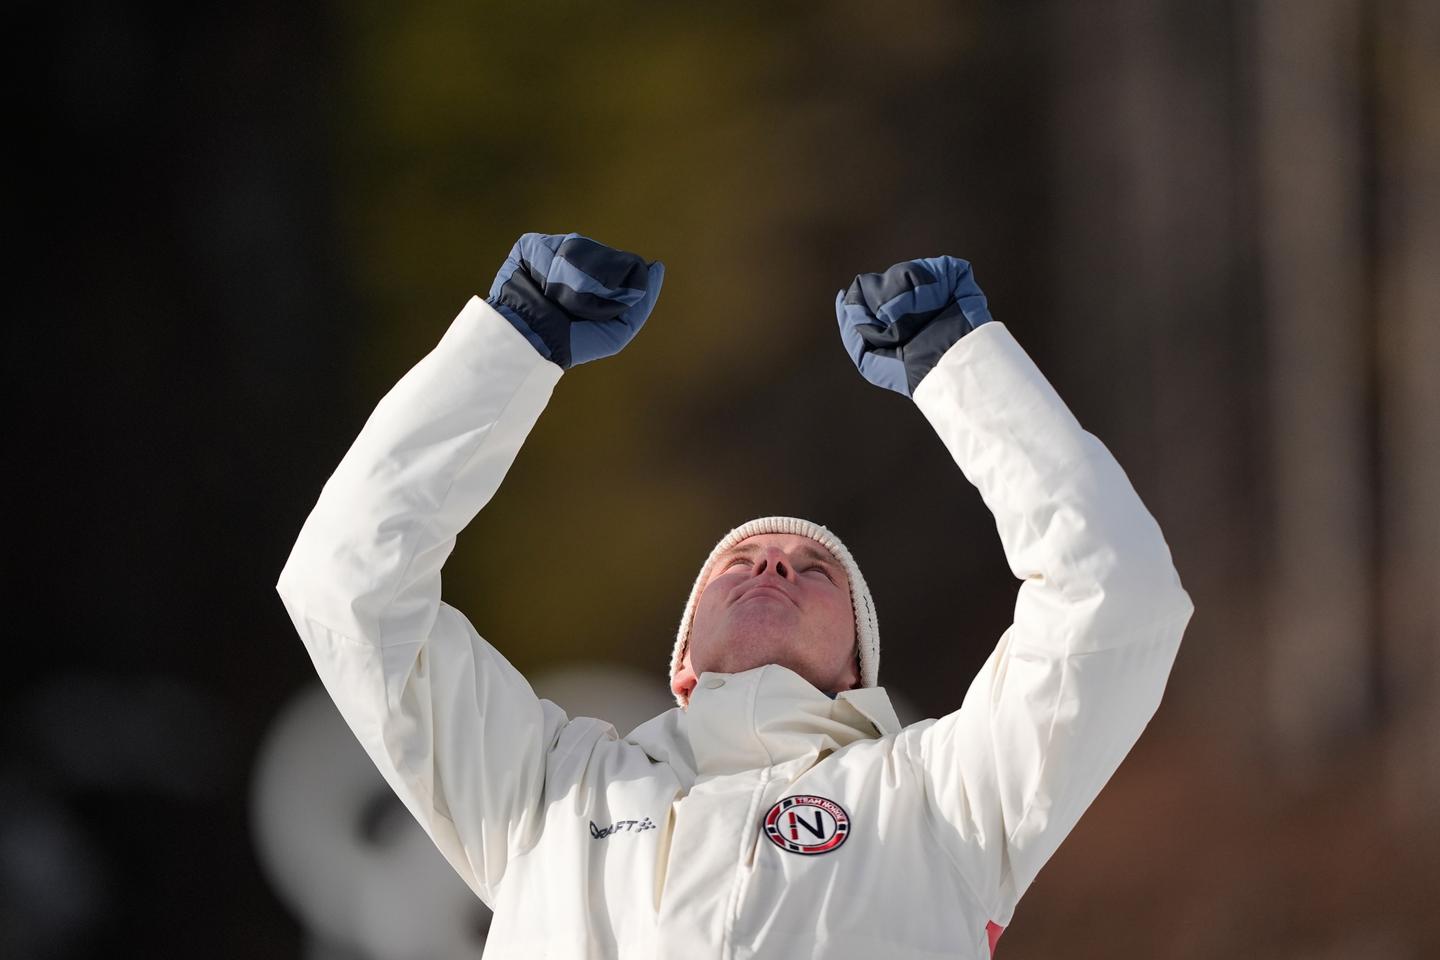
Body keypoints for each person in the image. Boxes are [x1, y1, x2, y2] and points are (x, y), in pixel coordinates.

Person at [277, 232, 1193, 959]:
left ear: (857, 666)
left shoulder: (939, 800)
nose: (773, 565)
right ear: (680, 660)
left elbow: (1114, 601)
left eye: (815, 567)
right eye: (738, 562)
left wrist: (962, 369)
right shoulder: (546, 793)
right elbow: (350, 586)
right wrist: (508, 346)